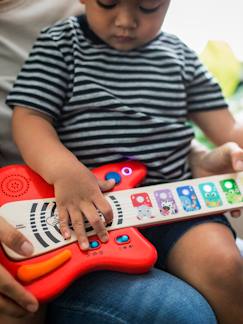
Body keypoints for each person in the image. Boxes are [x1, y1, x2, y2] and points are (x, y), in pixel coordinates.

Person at [4, 0, 243, 323]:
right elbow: (30, 117)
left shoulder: (180, 55)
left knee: (225, 266)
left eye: (148, 6)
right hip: (90, 218)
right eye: (108, 3)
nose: (127, 21)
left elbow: (227, 128)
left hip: (173, 205)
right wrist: (64, 171)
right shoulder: (59, 43)